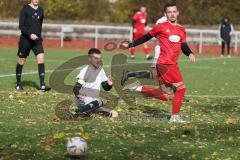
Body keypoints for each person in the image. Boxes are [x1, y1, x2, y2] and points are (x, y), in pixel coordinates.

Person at [120, 2, 196, 123]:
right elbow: (146, 37)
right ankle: (175, 117)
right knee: (181, 88)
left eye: (174, 11)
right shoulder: (160, 26)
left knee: (164, 94)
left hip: (170, 63)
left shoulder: (181, 29)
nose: (172, 14)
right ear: (165, 14)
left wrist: (190, 53)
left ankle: (137, 88)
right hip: (165, 63)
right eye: (169, 12)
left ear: (177, 13)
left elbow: (184, 45)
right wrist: (130, 45)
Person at [71, 48, 118, 119]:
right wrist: (78, 95)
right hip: (83, 99)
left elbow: (105, 87)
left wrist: (109, 84)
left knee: (114, 114)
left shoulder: (100, 70)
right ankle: (77, 112)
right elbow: (76, 87)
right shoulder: (85, 71)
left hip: (93, 101)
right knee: (103, 100)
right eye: (96, 58)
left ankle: (86, 111)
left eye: (99, 58)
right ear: (89, 59)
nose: (98, 60)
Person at [15, 0, 50, 91]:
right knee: (22, 60)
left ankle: (42, 85)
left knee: (41, 57)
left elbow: (40, 24)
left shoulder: (41, 10)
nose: (36, 0)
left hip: (37, 40)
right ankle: (18, 84)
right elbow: (21, 25)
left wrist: (38, 35)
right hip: (25, 39)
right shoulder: (25, 9)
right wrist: (30, 34)